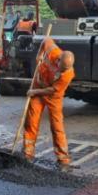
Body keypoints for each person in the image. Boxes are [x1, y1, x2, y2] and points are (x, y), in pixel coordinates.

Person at [23, 38, 75, 171]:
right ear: (59, 60)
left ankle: (63, 160)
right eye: (62, 68)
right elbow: (46, 40)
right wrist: (39, 55)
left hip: (53, 97)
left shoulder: (68, 74)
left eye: (66, 69)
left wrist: (34, 91)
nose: (63, 71)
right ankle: (27, 154)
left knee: (57, 126)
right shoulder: (53, 51)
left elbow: (51, 90)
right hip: (38, 86)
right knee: (31, 122)